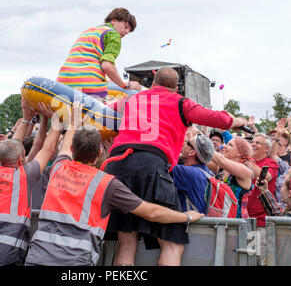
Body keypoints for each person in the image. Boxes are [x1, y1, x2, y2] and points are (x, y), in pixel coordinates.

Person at [24, 102, 204, 266]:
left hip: (36, 258)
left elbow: (50, 148)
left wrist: (60, 117)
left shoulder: (58, 167)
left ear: (72, 150)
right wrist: (186, 217)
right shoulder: (106, 184)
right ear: (100, 152)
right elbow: (151, 212)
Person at [103, 67, 247, 266]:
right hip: (150, 164)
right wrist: (238, 121)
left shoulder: (131, 100)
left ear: (154, 83)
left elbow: (103, 111)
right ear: (176, 88)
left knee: (126, 242)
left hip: (116, 165)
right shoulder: (181, 103)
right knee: (172, 244)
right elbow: (218, 119)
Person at [0, 99, 62, 266]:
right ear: (22, 159)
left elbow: (13, 144)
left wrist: (26, 118)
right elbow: (47, 149)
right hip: (3, 254)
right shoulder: (24, 174)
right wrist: (54, 120)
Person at [57, 7, 141, 98]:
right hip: (88, 88)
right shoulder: (113, 35)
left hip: (63, 84)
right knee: (131, 94)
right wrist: (125, 85)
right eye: (125, 27)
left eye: (129, 30)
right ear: (113, 21)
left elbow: (85, 69)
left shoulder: (88, 31)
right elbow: (107, 66)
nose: (127, 32)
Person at [244, 133, 278, 265]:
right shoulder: (245, 161)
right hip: (244, 220)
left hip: (261, 222)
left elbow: (267, 177)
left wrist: (250, 164)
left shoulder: (271, 163)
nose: (253, 144)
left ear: (267, 149)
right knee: (246, 257)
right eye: (252, 142)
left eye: (258, 143)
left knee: (259, 260)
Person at [171, 133, 215, 214]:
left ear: (192, 152)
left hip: (188, 226)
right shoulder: (205, 172)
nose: (184, 144)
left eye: (187, 143)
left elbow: (162, 164)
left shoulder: (189, 174)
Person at [211, 137, 253, 218]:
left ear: (240, 153)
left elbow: (220, 160)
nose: (224, 146)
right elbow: (204, 158)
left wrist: (203, 141)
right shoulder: (221, 168)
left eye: (230, 145)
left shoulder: (245, 170)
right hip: (219, 217)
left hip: (237, 223)